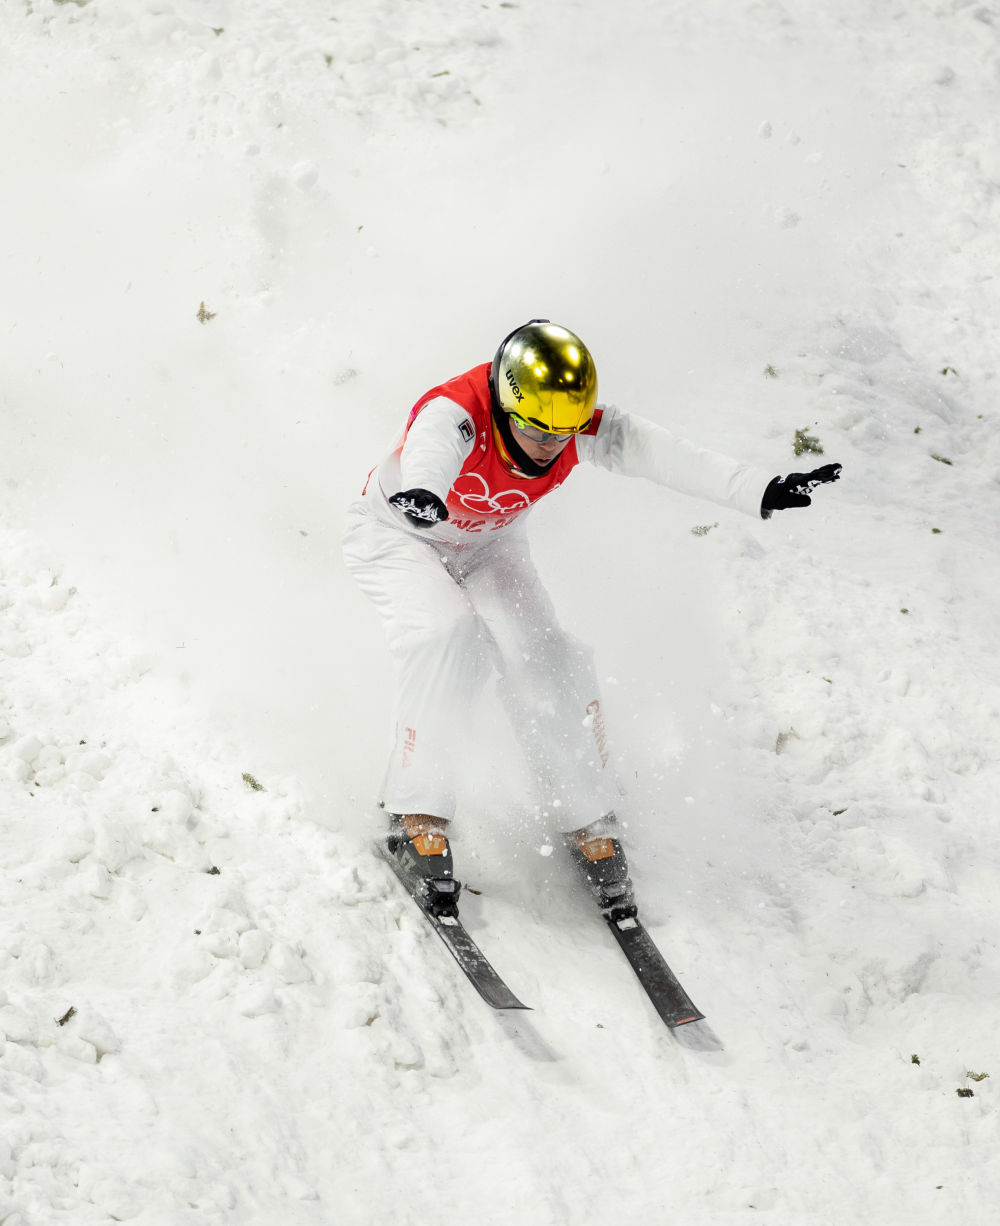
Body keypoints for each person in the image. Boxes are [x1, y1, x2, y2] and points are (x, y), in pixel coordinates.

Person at [342, 320, 840, 921]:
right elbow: (432, 445)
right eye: (533, 430)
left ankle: (584, 814)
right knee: (449, 635)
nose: (549, 446)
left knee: (546, 654)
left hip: (489, 544)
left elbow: (661, 451)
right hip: (403, 533)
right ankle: (414, 812)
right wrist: (424, 490)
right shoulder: (459, 411)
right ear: (504, 405)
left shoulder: (576, 426)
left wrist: (758, 488)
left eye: (564, 433)